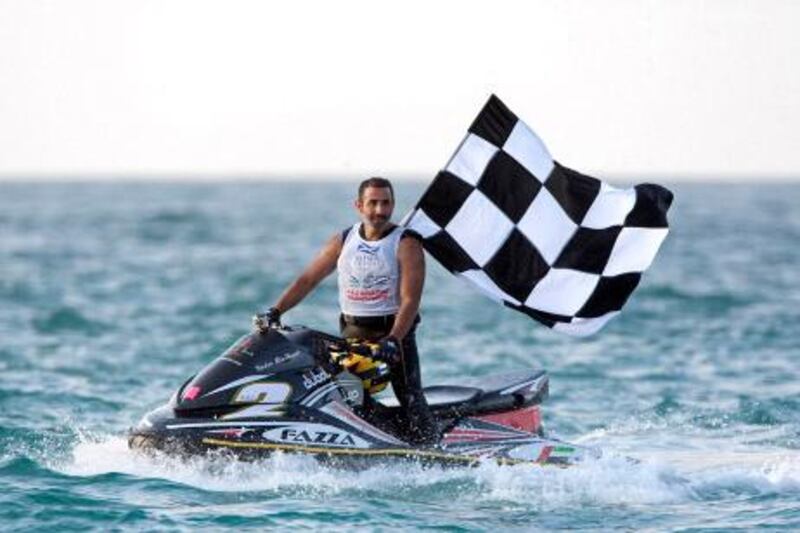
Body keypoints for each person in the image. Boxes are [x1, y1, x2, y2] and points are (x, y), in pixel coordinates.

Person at [257, 177, 437, 444]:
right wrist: (276, 311)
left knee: (409, 397)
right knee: (351, 397)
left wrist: (394, 339)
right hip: (353, 332)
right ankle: (383, 440)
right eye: (373, 203)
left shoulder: (406, 243)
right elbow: (307, 280)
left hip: (393, 334)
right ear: (359, 205)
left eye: (386, 203)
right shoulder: (344, 240)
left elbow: (410, 299)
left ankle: (431, 445)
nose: (379, 210)